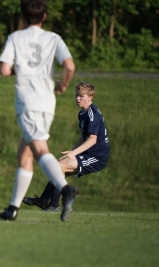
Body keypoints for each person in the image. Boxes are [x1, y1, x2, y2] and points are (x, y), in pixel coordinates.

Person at [0, 0, 79, 221]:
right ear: (44, 16)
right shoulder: (54, 38)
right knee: (24, 154)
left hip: (28, 102)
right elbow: (69, 66)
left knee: (40, 150)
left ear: (23, 16)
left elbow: (4, 70)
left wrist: (19, 71)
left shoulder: (15, 37)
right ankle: (12, 209)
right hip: (47, 101)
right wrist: (62, 84)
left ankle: (65, 188)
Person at [23, 81, 110, 211]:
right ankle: (43, 201)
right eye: (76, 95)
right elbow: (83, 136)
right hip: (88, 153)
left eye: (81, 96)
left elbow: (92, 140)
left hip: (98, 156)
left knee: (59, 167)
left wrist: (74, 154)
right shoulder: (82, 113)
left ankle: (54, 205)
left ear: (90, 97)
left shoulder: (92, 115)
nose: (77, 98)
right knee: (58, 166)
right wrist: (73, 151)